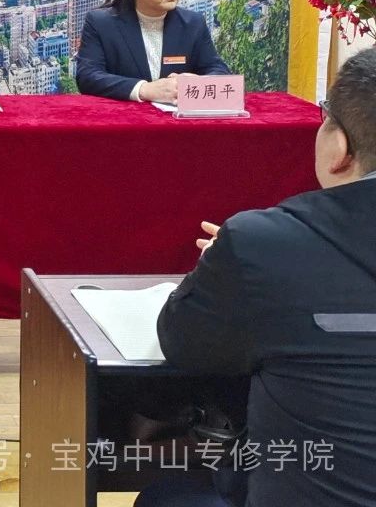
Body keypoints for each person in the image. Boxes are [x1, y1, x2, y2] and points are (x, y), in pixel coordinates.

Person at [135, 48, 376, 507]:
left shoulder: (261, 244)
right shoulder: (263, 243)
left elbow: (183, 342)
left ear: (340, 148)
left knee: (168, 497)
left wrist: (230, 263)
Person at [76, 0, 229, 102]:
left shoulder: (193, 23)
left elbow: (219, 71)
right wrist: (143, 89)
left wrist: (199, 82)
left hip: (175, 117)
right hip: (123, 116)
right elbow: (88, 77)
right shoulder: (101, 23)